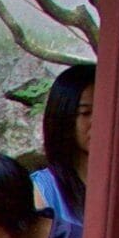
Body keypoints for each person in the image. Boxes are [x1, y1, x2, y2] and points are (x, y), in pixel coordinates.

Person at [31, 62, 95, 221]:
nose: (98, 121)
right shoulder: (42, 191)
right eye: (85, 113)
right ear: (63, 118)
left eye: (105, 111)